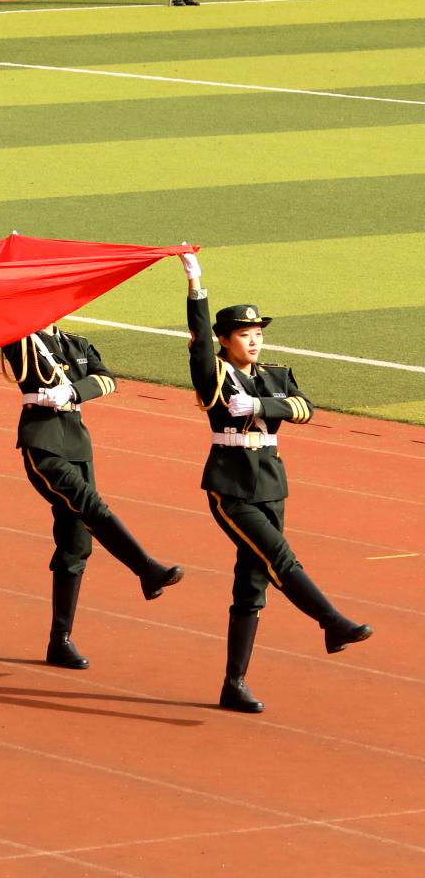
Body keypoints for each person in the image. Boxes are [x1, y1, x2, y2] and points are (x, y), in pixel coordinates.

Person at [180, 252, 371, 714]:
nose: (254, 341)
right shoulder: (214, 372)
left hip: (271, 485)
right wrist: (195, 285)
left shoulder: (276, 376)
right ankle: (331, 621)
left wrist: (262, 406)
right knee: (280, 557)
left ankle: (234, 684)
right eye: (244, 335)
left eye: (258, 334)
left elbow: (305, 409)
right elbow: (199, 341)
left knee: (252, 582)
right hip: (231, 486)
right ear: (224, 340)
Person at [0, 324, 183, 670]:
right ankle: (145, 568)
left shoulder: (76, 343)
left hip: (77, 446)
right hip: (43, 443)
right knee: (91, 506)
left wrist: (72, 391)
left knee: (76, 542)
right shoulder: (21, 338)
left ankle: (60, 641)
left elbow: (106, 379)